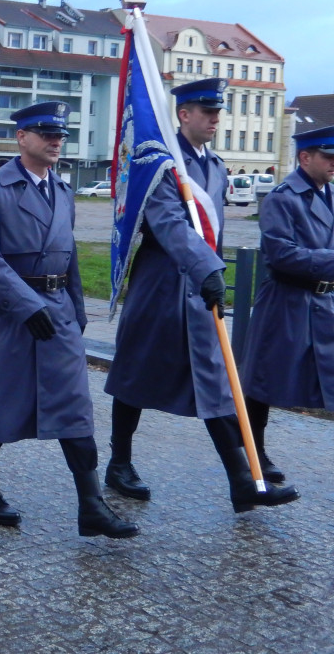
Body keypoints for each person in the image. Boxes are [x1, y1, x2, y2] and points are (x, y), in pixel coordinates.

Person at [105, 77, 299, 512]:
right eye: (206, 111)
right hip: (160, 284)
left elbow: (213, 230)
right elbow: (168, 223)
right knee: (135, 377)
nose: (215, 119)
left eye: (217, 112)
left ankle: (242, 481)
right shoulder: (158, 162)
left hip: (199, 287)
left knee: (216, 379)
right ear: (183, 114)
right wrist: (209, 267)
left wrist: (211, 268)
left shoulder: (213, 165)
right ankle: (118, 462)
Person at [0, 102, 137, 538]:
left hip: (56, 311)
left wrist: (76, 309)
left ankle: (91, 506)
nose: (56, 140)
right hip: (8, 313)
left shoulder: (62, 190)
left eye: (60, 134)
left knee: (74, 405)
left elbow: (69, 253)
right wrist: (25, 305)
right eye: (46, 133)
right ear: (22, 137)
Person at [240, 126, 334, 480]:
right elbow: (281, 254)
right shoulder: (282, 197)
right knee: (263, 381)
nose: (333, 163)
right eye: (327, 156)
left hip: (323, 300)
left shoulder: (330, 194)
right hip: (287, 301)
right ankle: (253, 451)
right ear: (305, 157)